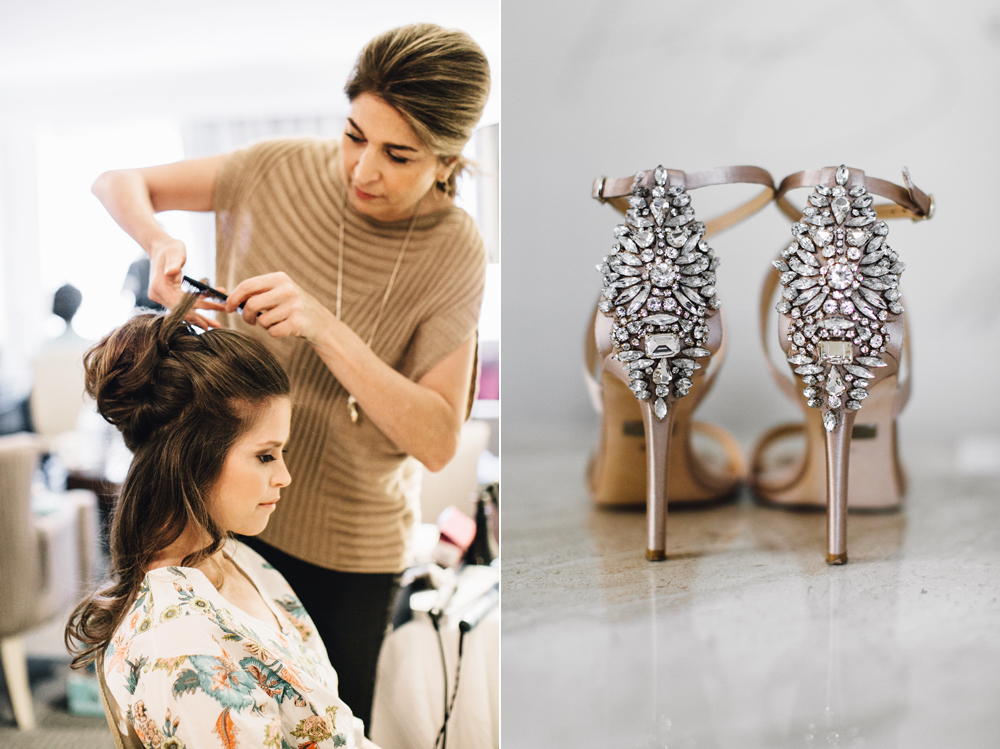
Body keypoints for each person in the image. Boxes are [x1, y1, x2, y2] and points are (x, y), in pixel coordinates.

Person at [90, 23, 491, 731]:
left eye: (398, 154)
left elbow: (435, 440)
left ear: (448, 157)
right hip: (220, 509)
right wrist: (157, 239)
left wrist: (325, 327)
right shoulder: (276, 168)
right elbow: (117, 180)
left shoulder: (455, 249)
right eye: (353, 135)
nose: (363, 169)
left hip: (351, 553)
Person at [65, 294, 375, 748]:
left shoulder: (236, 557)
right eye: (265, 456)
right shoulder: (183, 650)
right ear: (193, 458)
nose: (284, 477)